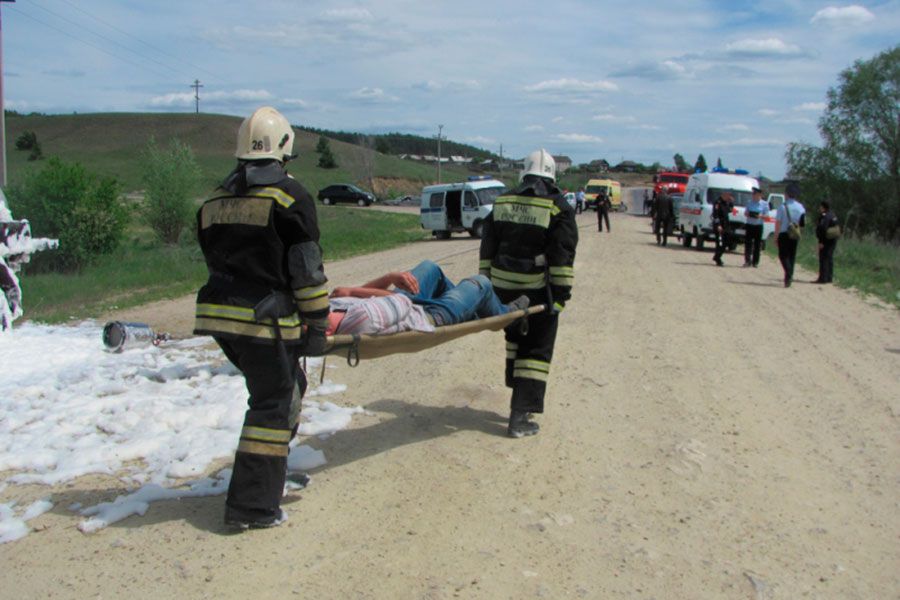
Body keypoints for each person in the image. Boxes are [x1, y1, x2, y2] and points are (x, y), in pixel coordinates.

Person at [193, 106, 331, 530]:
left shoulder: (215, 199)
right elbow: (306, 272)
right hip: (263, 321)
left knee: (289, 387)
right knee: (271, 405)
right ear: (284, 149)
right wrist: (318, 324)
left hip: (219, 317)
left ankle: (271, 473)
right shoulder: (291, 198)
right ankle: (251, 508)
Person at [479, 148, 578, 438]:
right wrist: (560, 297)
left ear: (523, 172)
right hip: (535, 291)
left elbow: (487, 249)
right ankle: (520, 416)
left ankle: (516, 388)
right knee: (536, 349)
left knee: (515, 339)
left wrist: (486, 287)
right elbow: (562, 256)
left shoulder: (503, 201)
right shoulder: (558, 207)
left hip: (501, 288)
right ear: (552, 174)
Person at [326, 260, 529, 335]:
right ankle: (506, 316)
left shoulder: (330, 308)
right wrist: (351, 292)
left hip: (398, 306)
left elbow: (360, 295)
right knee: (481, 283)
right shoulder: (362, 319)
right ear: (326, 331)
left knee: (429, 268)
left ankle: (467, 305)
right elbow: (402, 301)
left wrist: (389, 278)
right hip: (428, 314)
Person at [774, 182, 806, 287]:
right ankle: (789, 277)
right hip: (794, 234)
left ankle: (788, 273)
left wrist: (776, 236)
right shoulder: (801, 207)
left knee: (782, 255)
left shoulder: (782, 207)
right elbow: (802, 223)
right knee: (792, 255)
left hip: (783, 233)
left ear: (787, 194)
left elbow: (778, 222)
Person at [814, 201, 839, 284]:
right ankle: (829, 277)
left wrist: (821, 242)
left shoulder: (825, 217)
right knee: (829, 258)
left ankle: (822, 278)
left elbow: (823, 229)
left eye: (820, 207)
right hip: (833, 240)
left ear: (824, 207)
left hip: (826, 240)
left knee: (824, 258)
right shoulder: (833, 215)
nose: (819, 208)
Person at [743, 187, 768, 268]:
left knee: (757, 245)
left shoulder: (764, 204)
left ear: (759, 195)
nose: (753, 195)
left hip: (758, 226)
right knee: (748, 244)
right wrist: (749, 214)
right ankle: (747, 261)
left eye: (755, 194)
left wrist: (759, 216)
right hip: (750, 225)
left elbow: (767, 216)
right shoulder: (749, 202)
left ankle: (755, 262)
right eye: (753, 194)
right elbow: (745, 213)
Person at [711, 191, 734, 266]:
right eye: (728, 195)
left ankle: (717, 257)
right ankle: (718, 258)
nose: (729, 196)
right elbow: (715, 214)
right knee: (720, 243)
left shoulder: (726, 202)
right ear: (724, 194)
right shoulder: (718, 202)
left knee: (727, 242)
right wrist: (718, 225)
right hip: (719, 225)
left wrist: (731, 202)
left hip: (726, 225)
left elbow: (730, 210)